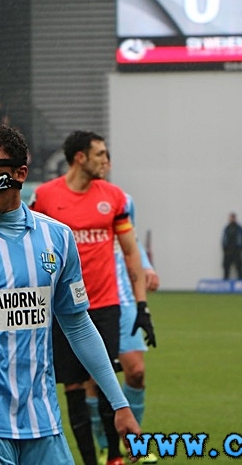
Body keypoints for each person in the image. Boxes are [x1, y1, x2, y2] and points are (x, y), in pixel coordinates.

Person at [0, 124, 141, 465]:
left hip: (43, 421)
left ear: (20, 173)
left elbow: (79, 327)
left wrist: (120, 404)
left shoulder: (58, 238)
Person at [30, 130, 154, 465]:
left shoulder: (113, 197)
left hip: (105, 304)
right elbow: (28, 240)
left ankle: (113, 456)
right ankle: (89, 459)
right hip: (62, 309)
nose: (106, 161)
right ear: (80, 157)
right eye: (100, 154)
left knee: (104, 380)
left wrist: (141, 305)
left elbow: (130, 253)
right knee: (72, 386)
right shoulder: (44, 197)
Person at [88, 158, 160, 465]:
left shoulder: (120, 199)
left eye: (106, 156)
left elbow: (129, 241)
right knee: (95, 376)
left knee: (137, 371)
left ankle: (134, 443)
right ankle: (107, 446)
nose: (104, 161)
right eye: (98, 155)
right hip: (93, 298)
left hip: (125, 297)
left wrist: (146, 267)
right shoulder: (64, 199)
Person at [221, 212, 242, 281]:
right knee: (226, 268)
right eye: (230, 218)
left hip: (237, 251)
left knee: (239, 268)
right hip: (228, 251)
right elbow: (223, 240)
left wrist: (241, 249)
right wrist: (224, 249)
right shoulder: (226, 228)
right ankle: (225, 283)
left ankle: (241, 283)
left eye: (233, 218)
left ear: (235, 218)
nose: (232, 219)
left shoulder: (239, 228)